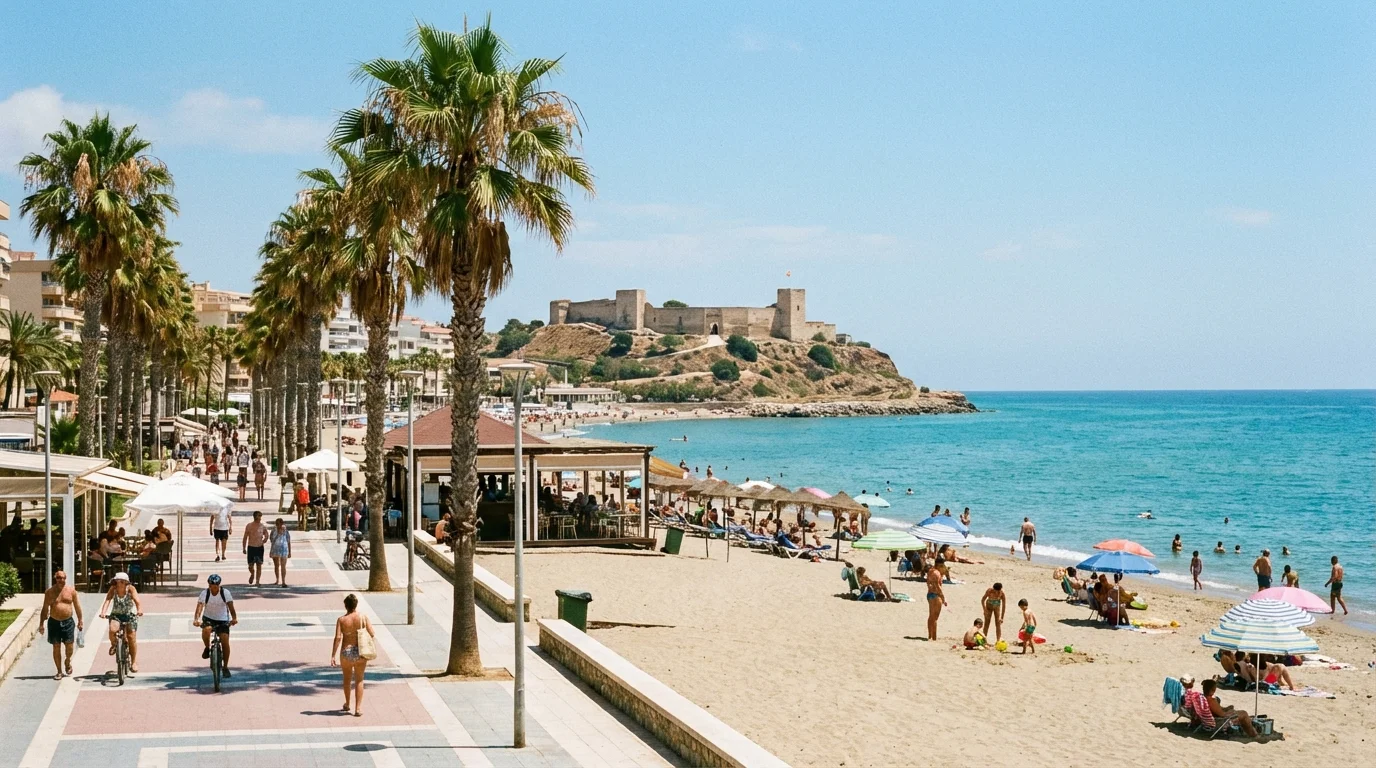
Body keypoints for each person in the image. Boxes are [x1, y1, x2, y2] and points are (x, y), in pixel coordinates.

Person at [331, 593, 376, 717]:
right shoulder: (363, 617)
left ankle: (347, 703)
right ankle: (358, 708)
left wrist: (333, 655)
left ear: (345, 606)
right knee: (359, 679)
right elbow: (372, 633)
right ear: (356, 605)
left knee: (347, 679)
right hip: (360, 652)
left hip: (346, 652)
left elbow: (338, 638)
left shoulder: (341, 620)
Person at [39, 570, 83, 679]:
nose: (61, 580)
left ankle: (67, 661)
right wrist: (41, 624)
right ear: (55, 578)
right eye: (59, 578)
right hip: (54, 622)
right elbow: (45, 608)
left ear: (65, 579)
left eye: (63, 578)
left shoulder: (71, 591)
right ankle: (59, 671)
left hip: (68, 622)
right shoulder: (49, 592)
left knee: (69, 646)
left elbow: (77, 606)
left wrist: (80, 620)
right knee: (56, 646)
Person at [193, 574, 237, 679]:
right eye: (211, 586)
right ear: (209, 585)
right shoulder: (205, 593)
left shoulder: (225, 593)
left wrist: (234, 618)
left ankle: (225, 667)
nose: (214, 588)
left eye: (216, 586)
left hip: (222, 619)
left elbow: (231, 607)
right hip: (209, 618)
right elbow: (199, 607)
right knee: (206, 630)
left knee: (225, 640)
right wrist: (196, 619)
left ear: (219, 585)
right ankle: (207, 648)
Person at [98, 573, 143, 673]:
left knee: (131, 638)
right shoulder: (113, 589)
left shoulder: (131, 589)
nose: (119, 583)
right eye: (118, 581)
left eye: (121, 581)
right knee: (112, 630)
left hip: (129, 615)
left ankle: (134, 662)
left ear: (125, 582)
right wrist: (103, 612)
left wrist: (139, 610)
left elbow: (137, 600)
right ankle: (114, 645)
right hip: (116, 615)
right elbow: (108, 600)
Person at [242, 511, 270, 585]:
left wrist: (265, 538)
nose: (260, 518)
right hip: (251, 547)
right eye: (259, 516)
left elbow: (266, 534)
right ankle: (252, 573)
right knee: (250, 565)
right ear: (254, 517)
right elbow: (245, 537)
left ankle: (257, 581)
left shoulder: (262, 526)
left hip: (259, 547)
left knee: (259, 565)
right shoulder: (249, 526)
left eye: (260, 516)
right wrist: (244, 548)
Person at [926, 559, 946, 641]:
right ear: (939, 565)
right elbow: (938, 586)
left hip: (930, 594)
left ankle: (930, 635)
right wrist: (943, 597)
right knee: (935, 618)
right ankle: (934, 637)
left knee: (931, 616)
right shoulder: (937, 573)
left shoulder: (930, 571)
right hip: (936, 595)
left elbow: (928, 583)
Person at [270, 517, 292, 587]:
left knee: (283, 566)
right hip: (275, 549)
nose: (279, 525)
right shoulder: (274, 530)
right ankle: (277, 579)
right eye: (277, 524)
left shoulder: (285, 530)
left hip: (284, 549)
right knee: (276, 565)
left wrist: (289, 552)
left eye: (280, 524)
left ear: (282, 524)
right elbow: (271, 540)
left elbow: (288, 541)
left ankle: (283, 581)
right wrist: (271, 551)